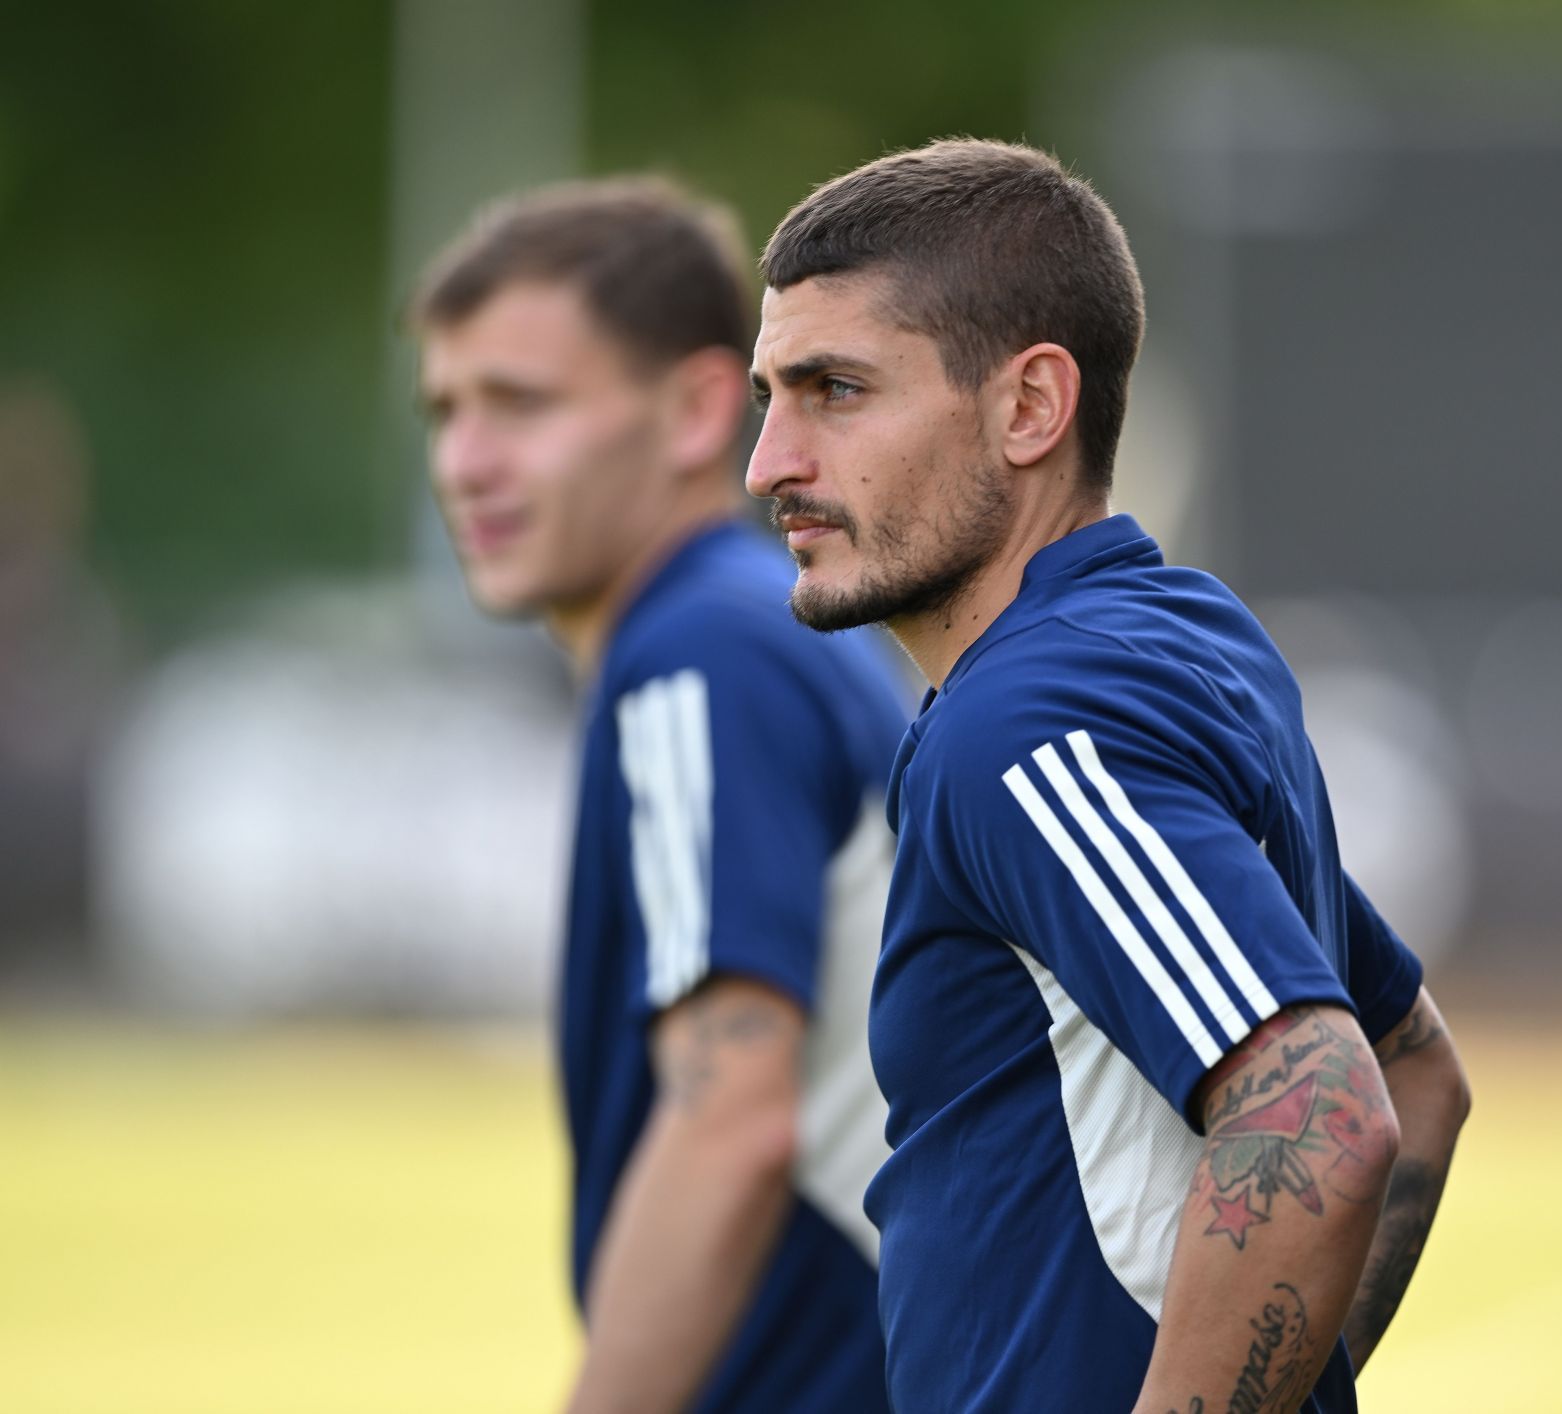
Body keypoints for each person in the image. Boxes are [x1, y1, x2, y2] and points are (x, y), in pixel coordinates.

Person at [746, 139, 1472, 1414]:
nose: (771, 464)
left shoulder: (1027, 724)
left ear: (1030, 407)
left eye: (836, 390)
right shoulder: (1172, 647)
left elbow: (1322, 1113)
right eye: (771, 396)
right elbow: (1418, 1071)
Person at [413, 176, 902, 1413]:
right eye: (446, 410)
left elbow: (729, 1119)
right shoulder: (761, 622)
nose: (464, 462)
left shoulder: (698, 653)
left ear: (695, 408)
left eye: (518, 404)